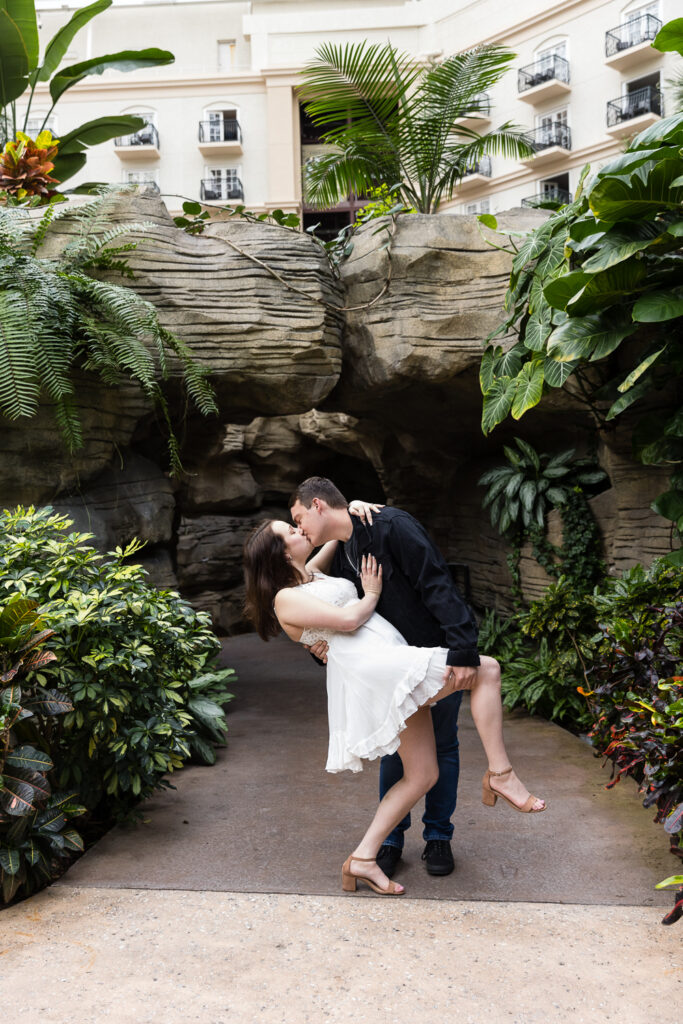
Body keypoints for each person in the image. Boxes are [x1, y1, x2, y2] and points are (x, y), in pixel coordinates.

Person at [243, 513, 545, 898]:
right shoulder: (285, 599)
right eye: (290, 530)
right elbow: (349, 620)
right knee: (486, 670)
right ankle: (500, 774)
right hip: (377, 672)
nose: (299, 529)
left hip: (389, 665)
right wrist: (370, 592)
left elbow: (333, 535)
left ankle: (363, 858)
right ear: (282, 555)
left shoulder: (311, 575)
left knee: (422, 773)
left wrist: (351, 508)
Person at [289, 478, 477, 879]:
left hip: (432, 657)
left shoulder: (389, 525)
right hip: (386, 669)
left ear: (318, 505)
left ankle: (439, 836)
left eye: (298, 517)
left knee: (443, 747)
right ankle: (389, 840)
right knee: (395, 751)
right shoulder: (336, 554)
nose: (298, 526)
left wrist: (462, 648)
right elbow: (337, 616)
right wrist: (320, 647)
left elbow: (437, 581)